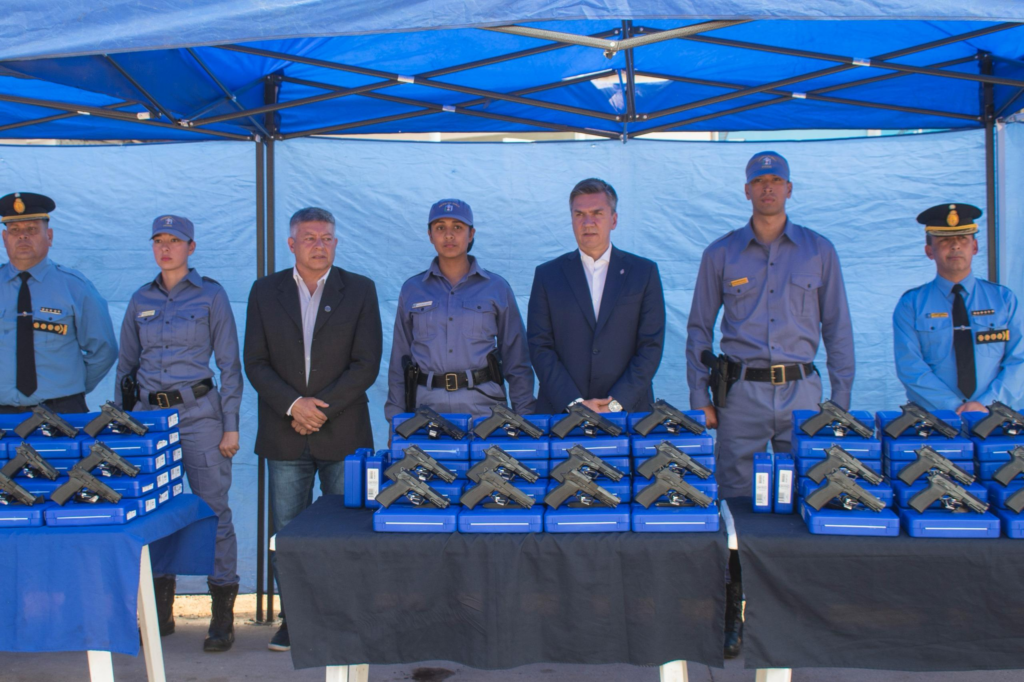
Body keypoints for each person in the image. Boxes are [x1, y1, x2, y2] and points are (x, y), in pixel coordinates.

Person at [685, 151, 854, 658]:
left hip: (803, 394)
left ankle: (797, 613)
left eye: (775, 180)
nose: (767, 188)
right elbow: (698, 329)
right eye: (758, 181)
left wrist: (840, 403)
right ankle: (733, 608)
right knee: (736, 505)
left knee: (807, 499)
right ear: (746, 190)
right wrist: (700, 399)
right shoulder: (721, 253)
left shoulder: (819, 251)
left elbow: (838, 328)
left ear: (789, 188)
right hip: (742, 396)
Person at [244, 206, 382, 652]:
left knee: (346, 528)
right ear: (292, 244)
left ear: (336, 243)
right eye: (309, 238)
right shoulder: (264, 291)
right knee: (288, 532)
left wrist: (320, 409)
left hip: (342, 430)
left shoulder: (359, 290)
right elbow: (255, 362)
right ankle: (295, 619)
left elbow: (366, 363)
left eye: (326, 238)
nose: (319, 245)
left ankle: (344, 619)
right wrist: (293, 405)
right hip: (284, 431)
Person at [115, 215, 243, 652]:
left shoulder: (211, 295)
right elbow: (126, 367)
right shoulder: (140, 299)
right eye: (159, 240)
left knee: (214, 511)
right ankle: (160, 614)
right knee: (153, 514)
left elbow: (230, 366)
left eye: (175, 240)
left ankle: (221, 618)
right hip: (149, 421)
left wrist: (230, 426)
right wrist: (125, 428)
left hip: (199, 417)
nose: (166, 248)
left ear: (191, 247)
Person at [385, 198, 534, 424]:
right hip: (426, 412)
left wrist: (525, 417)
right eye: (440, 228)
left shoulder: (496, 288)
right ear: (430, 235)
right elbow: (399, 361)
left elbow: (517, 358)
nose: (449, 235)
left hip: (486, 412)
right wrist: (396, 422)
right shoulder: (412, 290)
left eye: (457, 227)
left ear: (471, 234)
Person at [527, 178, 665, 415]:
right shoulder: (547, 275)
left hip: (628, 412)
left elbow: (651, 345)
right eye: (579, 214)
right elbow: (539, 345)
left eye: (597, 213)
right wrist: (574, 404)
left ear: (614, 220)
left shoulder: (643, 272)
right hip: (562, 414)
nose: (587, 222)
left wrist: (616, 403)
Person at [893, 203, 1024, 413]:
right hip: (936, 419)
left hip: (997, 417)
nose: (955, 246)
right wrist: (954, 407)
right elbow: (910, 367)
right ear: (929, 251)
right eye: (944, 240)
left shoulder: (1004, 300)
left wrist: (986, 405)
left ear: (975, 247)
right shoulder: (911, 305)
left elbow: (1019, 360)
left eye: (963, 238)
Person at [0, 192, 117, 414]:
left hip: (62, 411)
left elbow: (104, 349)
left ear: (50, 236)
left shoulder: (75, 287)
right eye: (14, 230)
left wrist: (71, 388)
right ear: (5, 238)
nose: (23, 236)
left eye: (32, 229)